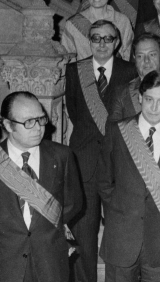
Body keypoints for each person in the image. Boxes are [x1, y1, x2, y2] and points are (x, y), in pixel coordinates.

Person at [0, 91, 83, 282]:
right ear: (7, 125)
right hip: (1, 264)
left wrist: (47, 233)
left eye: (41, 119)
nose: (38, 127)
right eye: (28, 122)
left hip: (49, 262)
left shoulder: (62, 156)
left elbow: (74, 203)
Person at [98, 71, 160, 282]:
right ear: (139, 98)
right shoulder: (118, 130)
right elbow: (104, 180)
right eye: (149, 99)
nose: (153, 107)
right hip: (121, 236)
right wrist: (118, 211)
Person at [65, 19, 137, 282]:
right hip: (83, 162)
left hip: (119, 163)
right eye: (96, 38)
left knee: (119, 232)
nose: (102, 44)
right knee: (83, 233)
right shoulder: (75, 72)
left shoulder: (130, 71)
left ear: (117, 42)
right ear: (89, 41)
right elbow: (74, 112)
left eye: (108, 38)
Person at [110, 33, 160, 125]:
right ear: (134, 58)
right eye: (140, 56)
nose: (146, 60)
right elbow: (113, 131)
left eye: (152, 54)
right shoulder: (121, 92)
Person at [61, 0, 134, 61]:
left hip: (117, 74)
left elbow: (128, 56)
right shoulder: (73, 24)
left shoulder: (122, 21)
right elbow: (67, 60)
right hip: (84, 74)